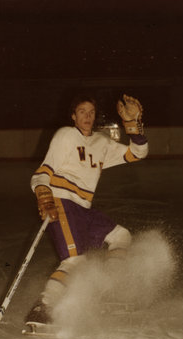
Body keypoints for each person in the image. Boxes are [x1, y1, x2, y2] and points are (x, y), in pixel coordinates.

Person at [26, 93, 148, 324]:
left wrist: (133, 127)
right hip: (62, 201)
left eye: (91, 112)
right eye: (82, 111)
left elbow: (137, 153)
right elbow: (43, 172)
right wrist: (43, 192)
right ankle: (43, 308)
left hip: (84, 207)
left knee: (121, 236)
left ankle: (109, 291)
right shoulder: (65, 135)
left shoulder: (102, 143)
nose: (87, 116)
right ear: (73, 115)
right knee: (74, 261)